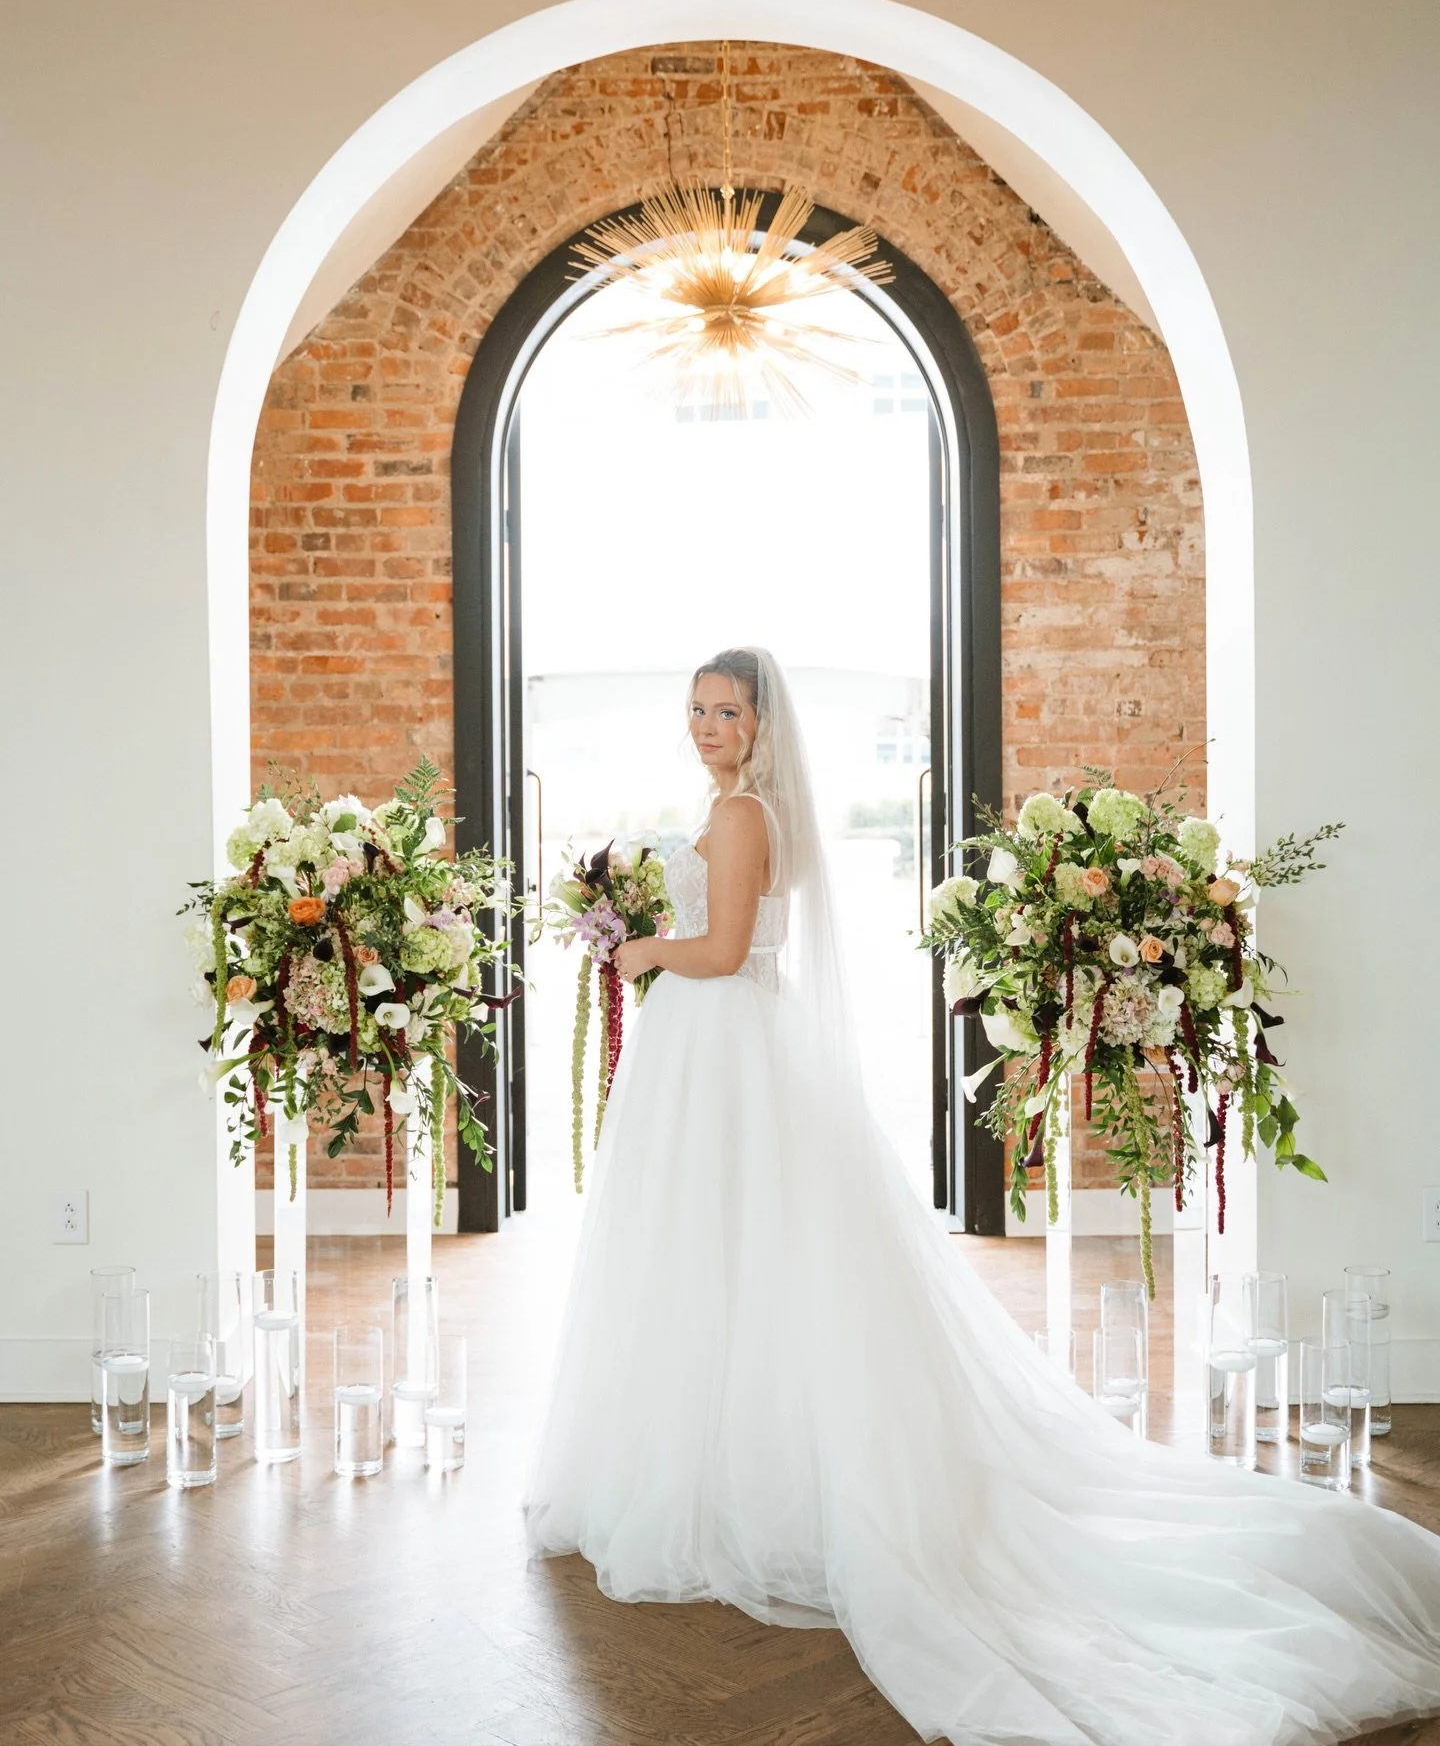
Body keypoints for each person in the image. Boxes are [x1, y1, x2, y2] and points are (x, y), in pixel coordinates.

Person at [524, 646, 1440, 1746]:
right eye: (696, 709)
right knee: (721, 1255)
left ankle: (738, 1485)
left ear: (762, 723)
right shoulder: (738, 812)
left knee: (729, 1250)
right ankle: (718, 1467)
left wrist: (639, 951)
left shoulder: (741, 817)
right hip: (718, 1049)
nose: (707, 725)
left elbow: (721, 950)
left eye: (726, 710)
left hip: (718, 1041)